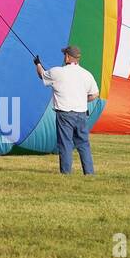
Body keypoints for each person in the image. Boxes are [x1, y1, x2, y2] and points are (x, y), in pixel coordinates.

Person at [34, 45, 100, 175]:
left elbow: (42, 75)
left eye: (65, 54)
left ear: (68, 57)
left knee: (65, 144)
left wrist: (37, 64)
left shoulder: (57, 72)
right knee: (83, 144)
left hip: (65, 115)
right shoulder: (87, 74)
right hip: (81, 114)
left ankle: (66, 173)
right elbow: (95, 94)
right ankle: (89, 173)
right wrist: (82, 100)